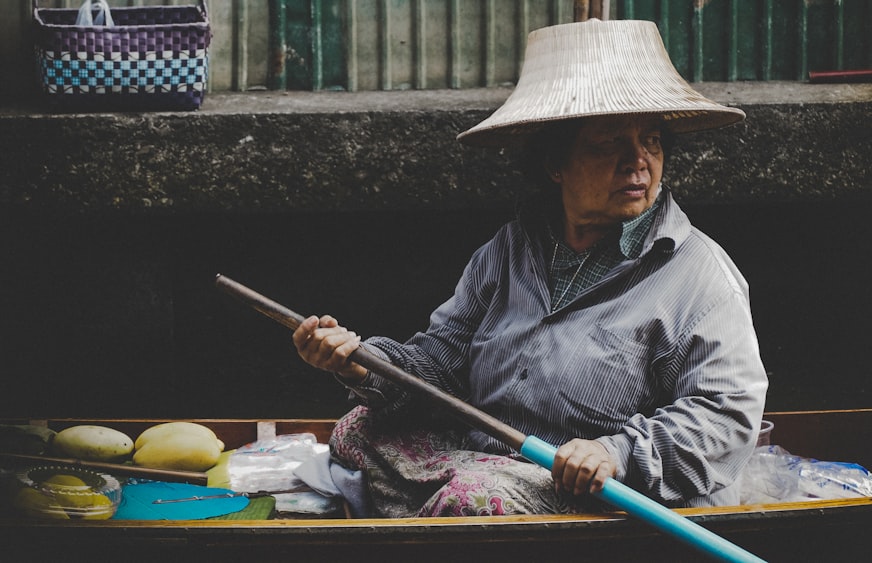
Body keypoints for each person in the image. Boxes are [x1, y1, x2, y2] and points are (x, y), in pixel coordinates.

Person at [292, 19, 768, 517]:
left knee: (474, 500)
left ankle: (440, 518)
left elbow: (724, 417)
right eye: (608, 143)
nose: (638, 162)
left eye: (650, 140)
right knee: (357, 429)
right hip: (494, 458)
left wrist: (614, 452)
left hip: (611, 492)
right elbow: (438, 365)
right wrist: (357, 361)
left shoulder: (700, 275)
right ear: (555, 163)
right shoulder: (512, 249)